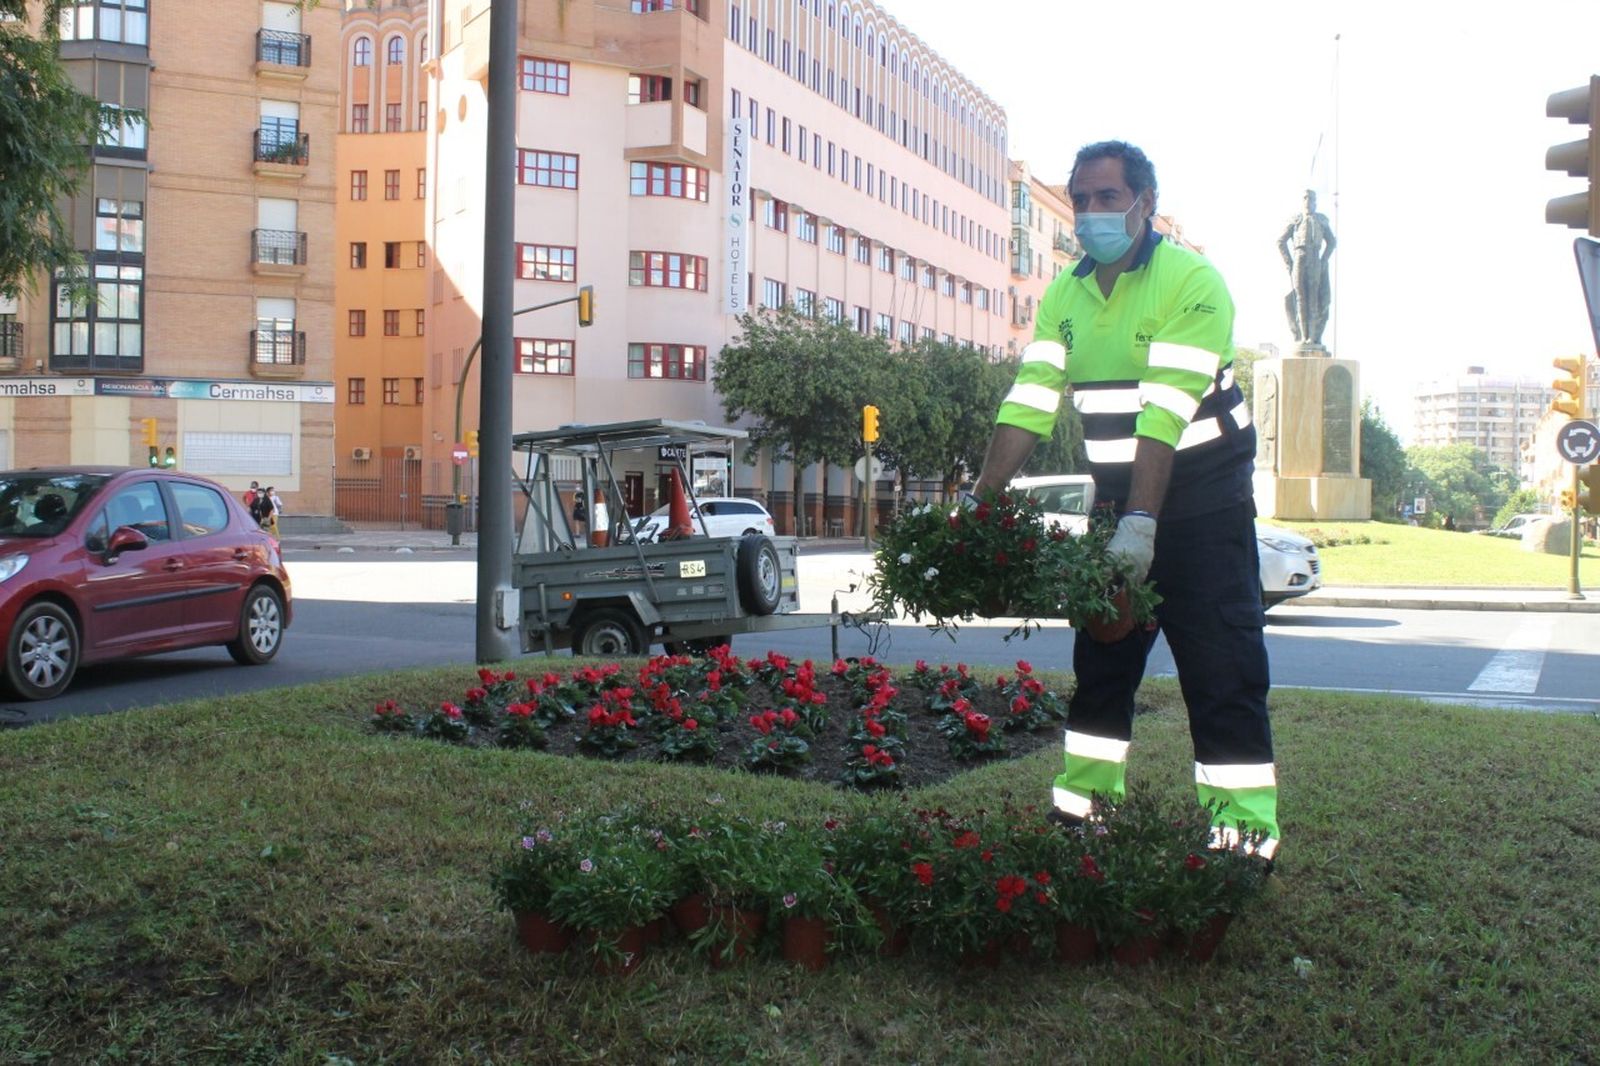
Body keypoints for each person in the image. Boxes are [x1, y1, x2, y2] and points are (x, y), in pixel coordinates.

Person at [969, 140, 1279, 861]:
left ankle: (1242, 838)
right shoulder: (1064, 294)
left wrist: (1142, 524)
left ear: (1147, 205)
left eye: (1107, 198)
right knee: (1102, 668)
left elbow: (1164, 412)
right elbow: (1028, 404)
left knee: (1222, 672)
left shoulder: (1192, 282)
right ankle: (1083, 816)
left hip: (1203, 508)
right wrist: (977, 503)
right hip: (1116, 503)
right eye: (1080, 199)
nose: (1089, 213)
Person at [1277, 189, 1337, 349]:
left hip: (1315, 258)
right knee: (1300, 298)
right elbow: (1281, 241)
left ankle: (1313, 337)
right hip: (1299, 257)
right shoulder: (1296, 219)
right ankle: (1303, 337)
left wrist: (1324, 260)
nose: (1308, 201)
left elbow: (1332, 242)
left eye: (1311, 199)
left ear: (1315, 202)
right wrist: (1289, 262)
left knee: (1314, 298)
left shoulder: (1321, 220)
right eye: (1305, 198)